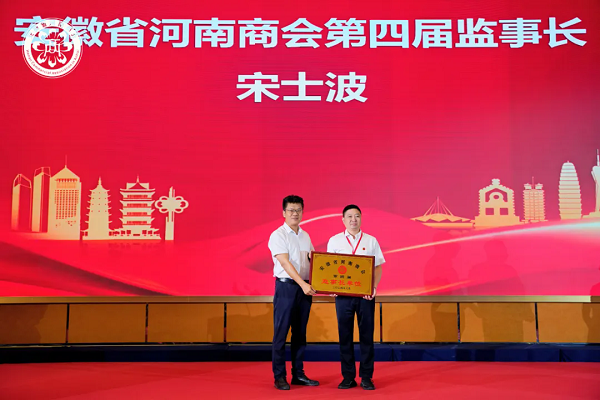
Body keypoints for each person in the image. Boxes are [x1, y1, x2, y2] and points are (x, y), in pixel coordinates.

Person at [327, 205, 384, 390]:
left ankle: (366, 377)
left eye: (357, 216)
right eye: (350, 216)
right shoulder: (334, 241)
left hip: (365, 296)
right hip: (343, 296)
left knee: (366, 336)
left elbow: (378, 267)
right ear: (343, 220)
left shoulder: (371, 240)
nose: (353, 219)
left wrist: (373, 287)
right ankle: (348, 377)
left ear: (361, 219)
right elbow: (329, 267)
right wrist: (331, 287)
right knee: (345, 336)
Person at [268, 195, 319, 390]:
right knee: (281, 333)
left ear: (302, 212)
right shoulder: (278, 235)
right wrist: (302, 285)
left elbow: (314, 261)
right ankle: (279, 376)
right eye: (291, 210)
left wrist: (324, 284)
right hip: (286, 288)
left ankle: (298, 374)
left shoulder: (305, 235)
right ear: (284, 212)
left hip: (304, 288)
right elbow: (285, 263)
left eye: (298, 210)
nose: (295, 213)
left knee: (300, 333)